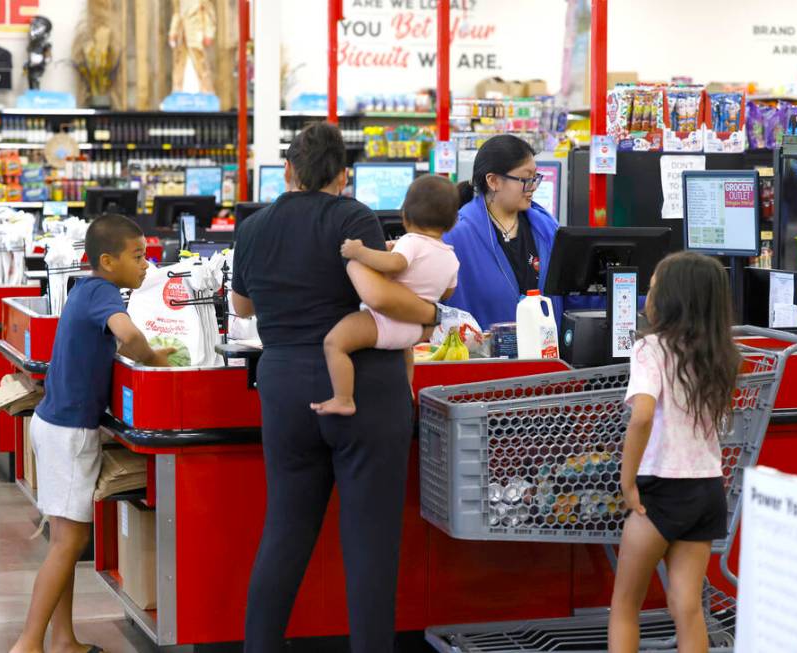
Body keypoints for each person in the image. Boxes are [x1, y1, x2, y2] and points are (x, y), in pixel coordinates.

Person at [232, 122, 440, 652]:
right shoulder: (351, 218)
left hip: (283, 385)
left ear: (288, 171)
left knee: (284, 532)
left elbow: (242, 307)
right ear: (344, 176)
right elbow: (378, 294)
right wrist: (430, 314)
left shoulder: (253, 227)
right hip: (363, 386)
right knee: (370, 543)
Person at [10, 214, 174, 653]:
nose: (146, 264)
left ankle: (63, 639)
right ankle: (28, 643)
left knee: (64, 540)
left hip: (52, 423)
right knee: (70, 543)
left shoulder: (85, 289)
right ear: (107, 260)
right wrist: (159, 362)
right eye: (137, 256)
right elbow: (129, 334)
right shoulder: (103, 292)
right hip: (68, 433)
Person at [608, 252, 740, 653]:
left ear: (671, 299)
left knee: (624, 605)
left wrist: (627, 481)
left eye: (651, 287)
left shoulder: (651, 349)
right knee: (687, 607)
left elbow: (643, 415)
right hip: (706, 490)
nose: (647, 295)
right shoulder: (719, 354)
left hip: (661, 490)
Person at [311, 174, 460, 416]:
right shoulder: (451, 258)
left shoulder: (411, 242)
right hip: (414, 331)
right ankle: (407, 389)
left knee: (334, 343)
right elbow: (447, 291)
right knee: (405, 353)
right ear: (453, 223)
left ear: (405, 216)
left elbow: (394, 264)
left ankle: (343, 398)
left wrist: (359, 252)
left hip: (385, 322)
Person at [444, 134, 558, 330]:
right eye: (525, 179)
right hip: (485, 358)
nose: (533, 187)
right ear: (494, 181)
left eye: (535, 178)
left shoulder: (547, 228)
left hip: (547, 356)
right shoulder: (457, 237)